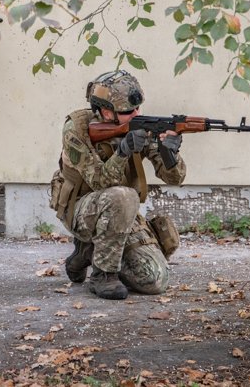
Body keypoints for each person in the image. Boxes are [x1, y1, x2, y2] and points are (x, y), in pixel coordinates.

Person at [49, 70, 185, 299]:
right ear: (105, 111)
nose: (135, 115)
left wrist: (169, 151)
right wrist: (123, 151)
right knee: (124, 195)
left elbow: (175, 178)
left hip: (120, 213)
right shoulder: (77, 129)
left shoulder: (139, 127)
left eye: (137, 109)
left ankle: (87, 252)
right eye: (127, 112)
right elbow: (99, 181)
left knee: (154, 280)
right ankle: (103, 275)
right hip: (80, 209)